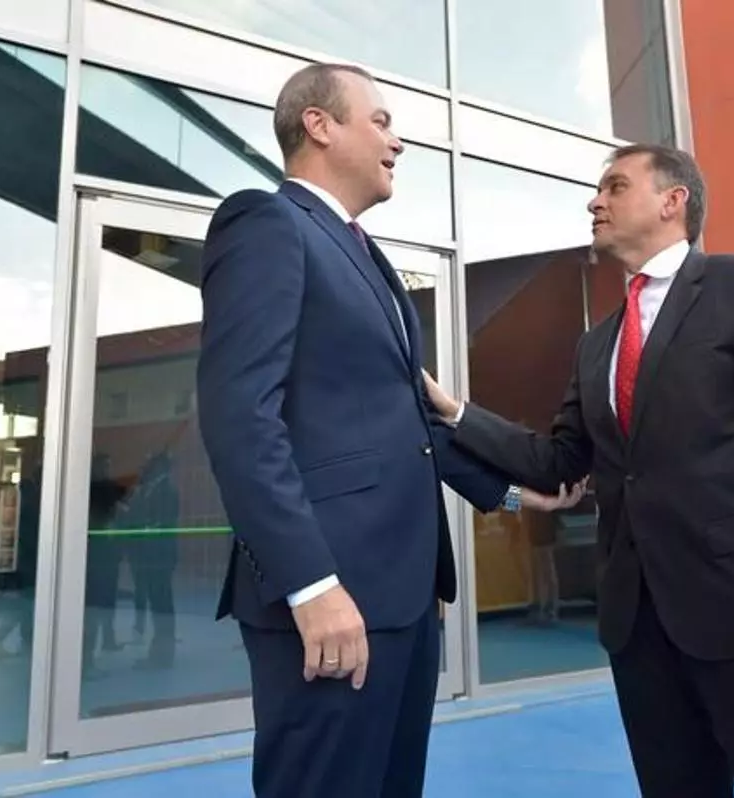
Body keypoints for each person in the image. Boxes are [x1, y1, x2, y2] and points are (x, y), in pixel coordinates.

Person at [195, 62, 582, 798]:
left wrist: (510, 495)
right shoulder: (266, 223)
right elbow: (240, 416)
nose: (397, 142)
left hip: (401, 596)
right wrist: (311, 584)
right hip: (331, 596)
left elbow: (409, 430)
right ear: (319, 125)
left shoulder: (365, 254)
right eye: (381, 122)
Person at [424, 143, 734, 797]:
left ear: (672, 201)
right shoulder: (598, 342)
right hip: (639, 632)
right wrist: (457, 413)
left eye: (616, 187)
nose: (595, 202)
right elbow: (558, 463)